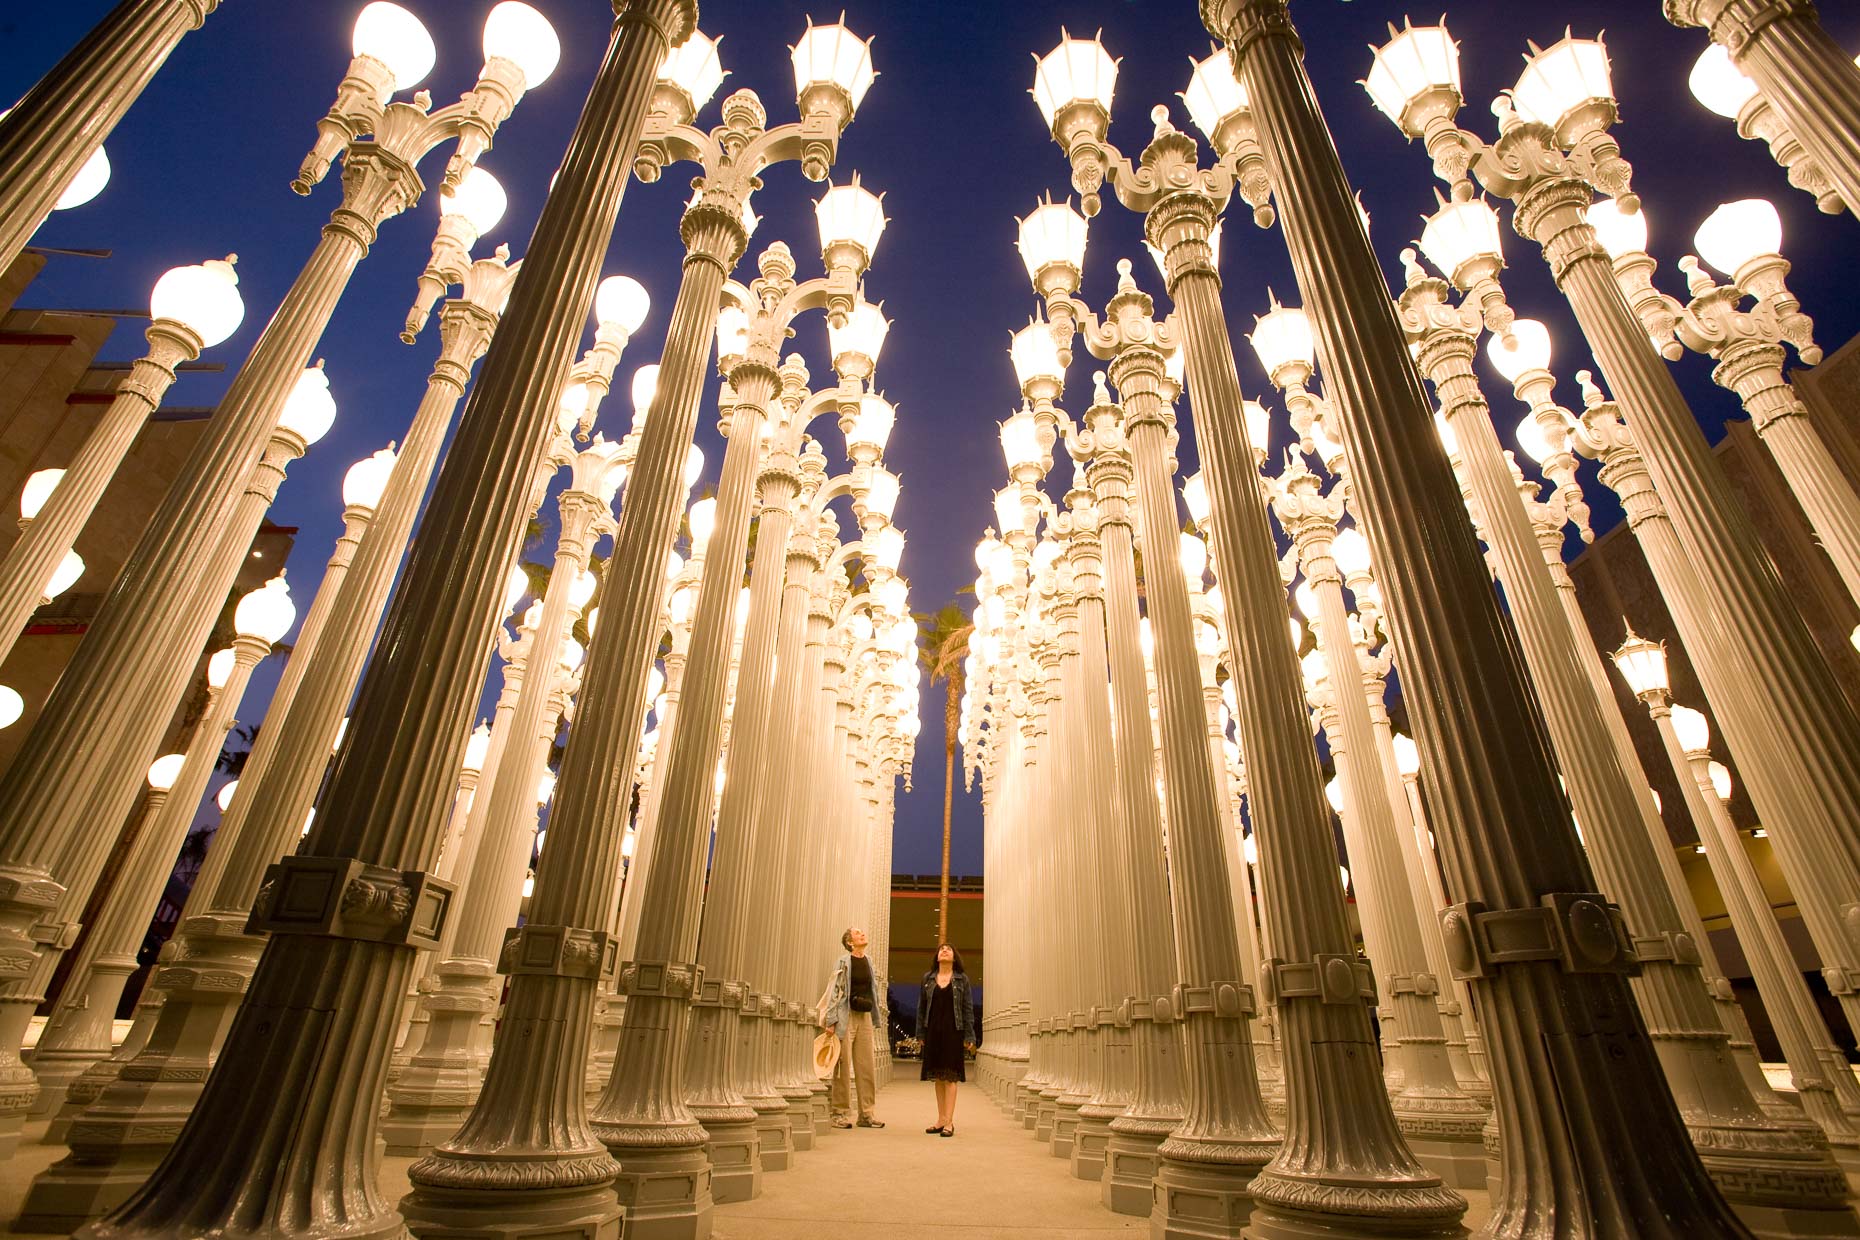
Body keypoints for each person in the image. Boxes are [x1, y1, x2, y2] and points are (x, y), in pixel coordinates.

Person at [820, 926, 884, 1129]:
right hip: (845, 1015)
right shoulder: (843, 962)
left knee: (866, 1065)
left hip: (864, 1016)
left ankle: (866, 1114)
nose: (862, 934)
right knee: (842, 1065)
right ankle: (839, 1113)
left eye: (862, 932)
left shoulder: (869, 961)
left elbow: (873, 990)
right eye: (857, 933)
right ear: (850, 942)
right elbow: (835, 990)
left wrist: (876, 1015)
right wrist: (831, 1020)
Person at [916, 943, 974, 1137]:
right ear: (937, 956)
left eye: (949, 949)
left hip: (953, 1032)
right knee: (939, 1078)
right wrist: (920, 1033)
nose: (944, 950)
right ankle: (941, 1119)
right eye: (941, 949)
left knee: (950, 1077)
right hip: (933, 1031)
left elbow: (967, 1008)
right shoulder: (928, 978)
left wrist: (969, 1035)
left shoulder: (961, 979)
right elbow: (921, 1008)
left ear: (954, 957)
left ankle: (949, 1122)